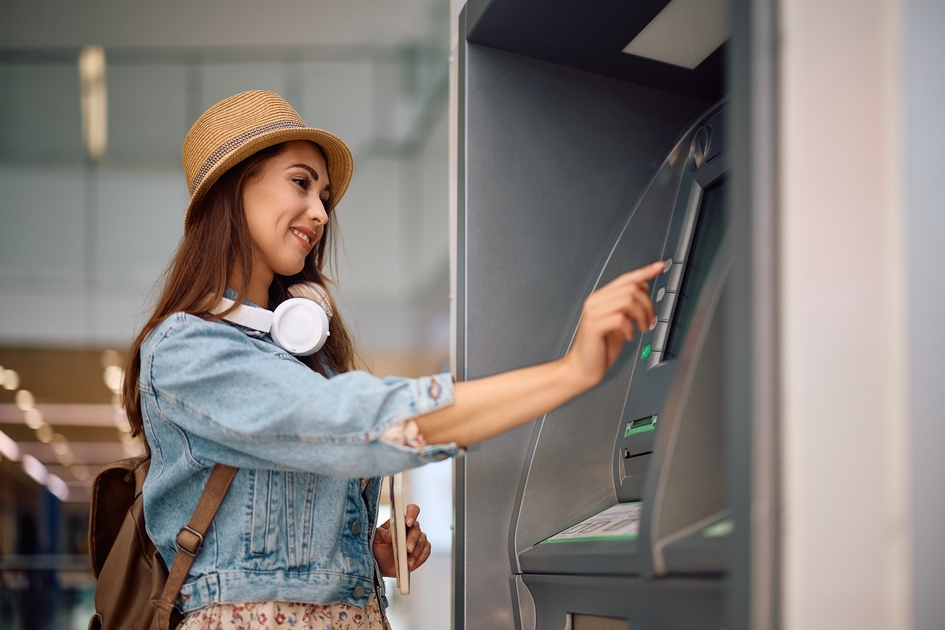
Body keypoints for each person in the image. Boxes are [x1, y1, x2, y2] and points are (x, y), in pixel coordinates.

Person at [121, 90, 664, 630]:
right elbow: (354, 421)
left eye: (325, 197)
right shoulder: (186, 349)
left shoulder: (306, 360)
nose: (320, 213)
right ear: (235, 187)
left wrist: (364, 554)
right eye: (301, 182)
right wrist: (571, 372)